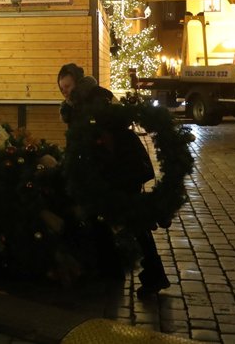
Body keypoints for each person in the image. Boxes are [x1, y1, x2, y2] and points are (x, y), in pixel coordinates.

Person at [57, 63, 169, 297]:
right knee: (97, 217)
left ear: (77, 82)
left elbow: (116, 126)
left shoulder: (99, 98)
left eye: (67, 86)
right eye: (62, 89)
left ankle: (153, 274)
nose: (65, 92)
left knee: (133, 220)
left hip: (120, 168)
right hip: (100, 171)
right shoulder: (74, 106)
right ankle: (111, 268)